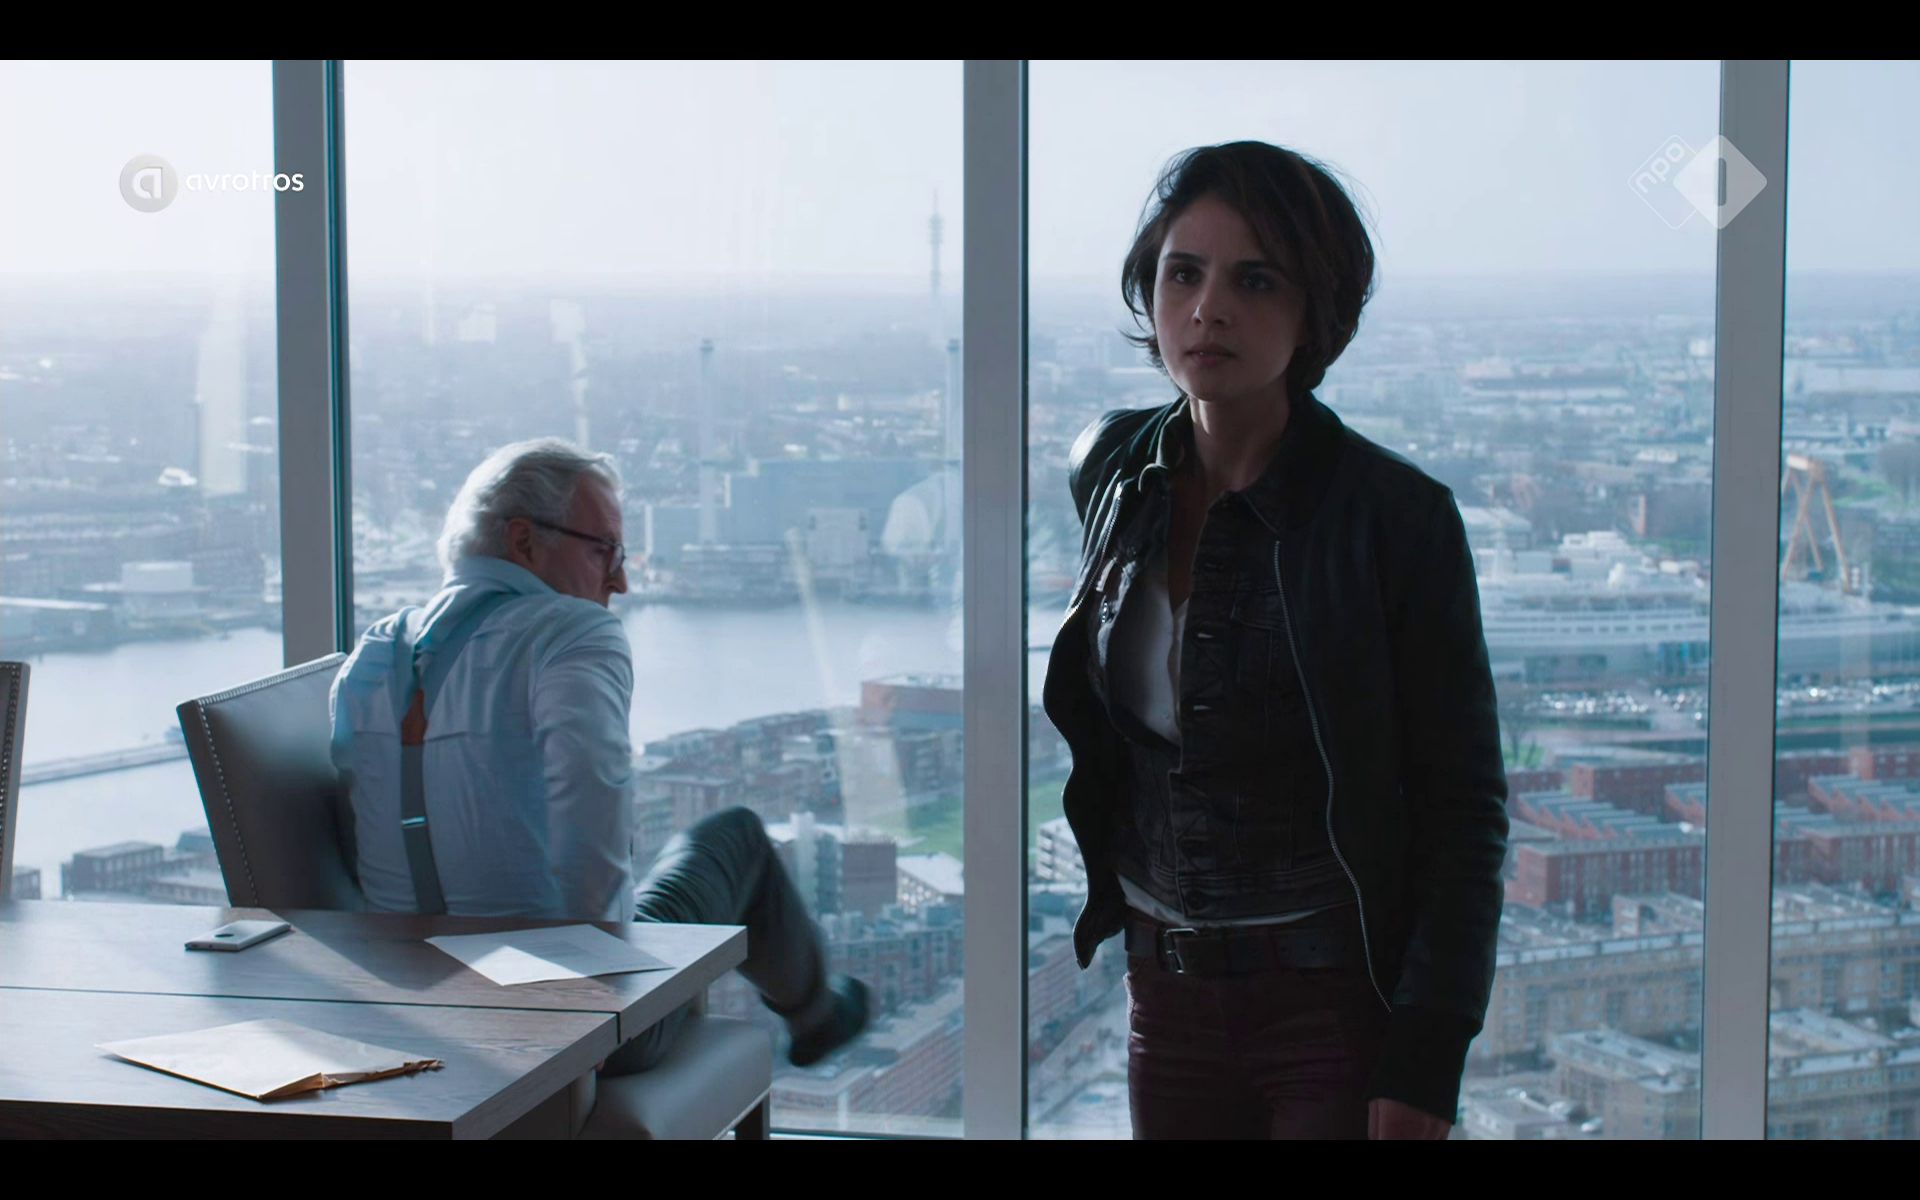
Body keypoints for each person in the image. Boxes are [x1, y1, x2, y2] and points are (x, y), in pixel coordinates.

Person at [1041, 141, 1508, 1139]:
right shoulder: (1113, 472)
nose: (1208, 308)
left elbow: (1463, 809)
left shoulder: (1395, 520)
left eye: (1254, 280)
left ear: (1316, 311)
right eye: (1183, 274)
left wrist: (1428, 1058)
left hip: (1332, 1010)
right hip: (1163, 995)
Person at [330, 437, 867, 1073]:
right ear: (524, 541)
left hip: (409, 1006)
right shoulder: (571, 634)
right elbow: (589, 822)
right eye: (604, 550)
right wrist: (610, 1000)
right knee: (736, 838)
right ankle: (816, 1015)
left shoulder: (376, 651)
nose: (621, 581)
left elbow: (360, 820)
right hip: (560, 1017)